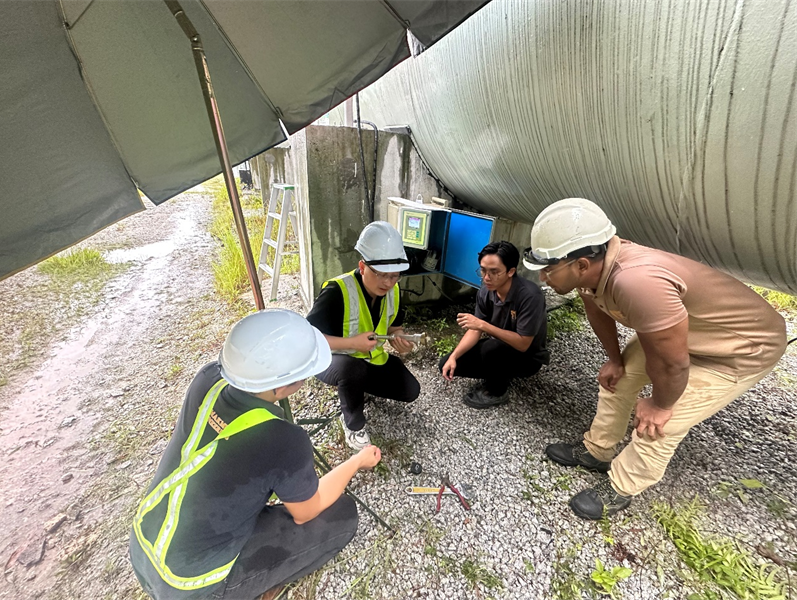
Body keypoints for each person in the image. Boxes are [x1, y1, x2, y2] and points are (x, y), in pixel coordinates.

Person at [524, 198, 787, 520]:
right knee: (616, 380)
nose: (543, 279)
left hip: (740, 350)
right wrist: (615, 359)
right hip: (685, 337)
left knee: (663, 422)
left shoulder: (637, 282)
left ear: (580, 265)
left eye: (549, 270)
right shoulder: (593, 269)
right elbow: (596, 309)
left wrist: (660, 404)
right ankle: (597, 450)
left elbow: (672, 364)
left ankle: (622, 486)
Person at [129, 309, 381, 599]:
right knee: (342, 514)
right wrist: (357, 461)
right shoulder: (284, 439)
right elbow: (307, 511)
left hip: (142, 546)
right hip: (191, 587)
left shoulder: (207, 378)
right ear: (283, 385)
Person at [306, 221, 420, 450]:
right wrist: (352, 344)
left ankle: (354, 390)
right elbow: (308, 340)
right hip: (330, 360)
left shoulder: (393, 291)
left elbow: (393, 326)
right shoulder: (337, 291)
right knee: (352, 369)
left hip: (369, 359)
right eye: (381, 275)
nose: (388, 283)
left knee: (410, 391)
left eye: (395, 276)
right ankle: (353, 425)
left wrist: (400, 339)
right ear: (362, 266)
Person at [439, 241, 549, 408]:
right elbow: (474, 330)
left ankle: (497, 391)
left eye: (494, 272)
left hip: (527, 358)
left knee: (491, 349)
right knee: (445, 364)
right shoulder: (486, 291)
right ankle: (499, 372)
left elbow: (523, 344)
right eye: (483, 270)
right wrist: (454, 356)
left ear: (511, 271)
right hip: (497, 349)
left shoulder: (530, 296)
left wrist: (483, 325)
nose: (486, 278)